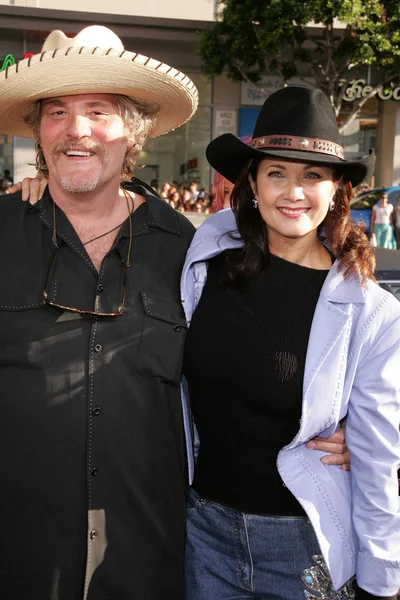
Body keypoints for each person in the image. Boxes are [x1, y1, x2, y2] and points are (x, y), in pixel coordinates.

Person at [0, 24, 199, 600]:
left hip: (146, 552)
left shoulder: (186, 249)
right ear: (39, 133)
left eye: (98, 111)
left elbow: (233, 367)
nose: (76, 130)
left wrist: (319, 428)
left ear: (131, 132)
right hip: (18, 553)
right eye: (57, 112)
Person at [180, 87, 400, 599]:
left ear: (338, 189)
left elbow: (378, 456)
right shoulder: (204, 257)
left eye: (312, 176)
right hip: (200, 534)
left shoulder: (371, 312)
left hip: (305, 546)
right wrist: (42, 184)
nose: (292, 192)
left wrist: (383, 580)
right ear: (252, 182)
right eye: (276, 172)